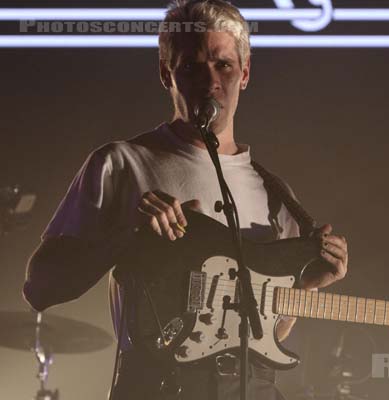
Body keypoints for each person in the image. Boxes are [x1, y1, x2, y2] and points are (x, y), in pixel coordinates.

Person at [22, 1, 349, 399]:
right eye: (191, 67)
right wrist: (130, 236)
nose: (209, 80)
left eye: (223, 65)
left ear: (244, 74)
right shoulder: (121, 163)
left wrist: (307, 289)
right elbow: (40, 286)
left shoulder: (274, 193)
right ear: (166, 74)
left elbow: (269, 334)